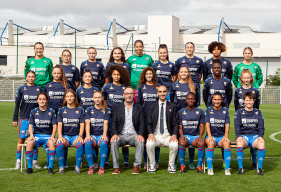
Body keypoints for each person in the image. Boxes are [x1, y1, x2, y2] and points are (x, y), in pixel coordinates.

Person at [110, 87, 145, 174]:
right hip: (121, 135)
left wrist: (140, 134)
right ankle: (116, 167)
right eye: (127, 93)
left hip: (134, 135)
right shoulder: (117, 107)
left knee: (140, 141)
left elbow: (142, 123)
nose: (129, 95)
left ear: (134, 95)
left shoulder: (139, 107)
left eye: (131, 93)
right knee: (114, 142)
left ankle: (136, 166)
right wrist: (114, 134)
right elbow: (114, 122)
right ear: (123, 95)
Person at [13, 71, 42, 169]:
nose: (31, 78)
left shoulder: (39, 89)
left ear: (35, 78)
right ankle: (18, 161)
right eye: (29, 76)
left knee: (35, 140)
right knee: (21, 139)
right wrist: (15, 119)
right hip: (24, 119)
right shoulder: (21, 89)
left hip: (36, 119)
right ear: (26, 77)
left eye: (32, 76)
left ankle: (34, 162)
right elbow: (17, 105)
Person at [146, 85, 179, 173]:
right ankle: (152, 165)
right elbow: (148, 123)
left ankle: (171, 166)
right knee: (149, 144)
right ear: (157, 93)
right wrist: (150, 134)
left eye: (164, 91)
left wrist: (174, 135)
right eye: (160, 92)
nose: (162, 93)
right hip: (155, 135)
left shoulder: (173, 106)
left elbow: (176, 123)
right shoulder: (151, 107)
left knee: (175, 145)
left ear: (167, 93)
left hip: (168, 135)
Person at [24, 92, 57, 174]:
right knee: (29, 143)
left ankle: (50, 168)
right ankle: (29, 168)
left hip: (48, 135)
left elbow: (55, 126)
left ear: (47, 101)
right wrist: (31, 136)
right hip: (37, 136)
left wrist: (53, 136)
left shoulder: (52, 111)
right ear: (37, 100)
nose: (42, 101)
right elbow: (30, 125)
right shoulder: (33, 111)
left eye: (43, 99)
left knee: (52, 143)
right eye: (40, 99)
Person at [234, 69, 260, 169]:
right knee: (243, 135)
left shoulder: (255, 90)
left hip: (253, 116)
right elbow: (236, 105)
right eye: (244, 78)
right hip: (241, 116)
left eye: (248, 77)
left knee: (253, 134)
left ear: (251, 78)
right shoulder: (238, 90)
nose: (246, 79)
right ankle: (241, 164)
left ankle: (254, 162)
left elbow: (257, 105)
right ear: (241, 78)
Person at [235, 91, 266, 175]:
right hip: (244, 136)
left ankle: (259, 168)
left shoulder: (258, 112)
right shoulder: (239, 112)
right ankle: (240, 167)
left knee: (262, 143)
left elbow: (261, 126)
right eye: (247, 100)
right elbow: (237, 125)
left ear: (254, 101)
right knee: (239, 143)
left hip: (254, 136)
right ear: (244, 101)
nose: (249, 102)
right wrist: (238, 136)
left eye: (251, 100)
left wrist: (260, 136)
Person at [56, 89, 85, 174]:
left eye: (71, 96)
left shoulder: (80, 109)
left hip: (76, 136)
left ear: (74, 97)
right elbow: (59, 124)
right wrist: (60, 136)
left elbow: (82, 124)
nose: (69, 98)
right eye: (67, 96)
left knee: (80, 145)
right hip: (65, 136)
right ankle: (61, 167)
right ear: (65, 98)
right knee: (59, 145)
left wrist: (80, 136)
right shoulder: (61, 110)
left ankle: (77, 167)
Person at [136, 67, 160, 169]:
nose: (149, 76)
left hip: (156, 118)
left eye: (150, 74)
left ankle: (156, 161)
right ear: (144, 75)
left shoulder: (157, 87)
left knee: (156, 140)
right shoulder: (141, 87)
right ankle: (146, 161)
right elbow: (139, 104)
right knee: (146, 141)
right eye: (147, 74)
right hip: (145, 118)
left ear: (153, 75)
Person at [204, 92, 232, 176]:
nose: (217, 101)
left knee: (226, 143)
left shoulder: (225, 110)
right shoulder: (208, 110)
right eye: (215, 99)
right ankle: (210, 168)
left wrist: (226, 136)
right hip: (211, 136)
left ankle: (227, 168)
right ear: (212, 100)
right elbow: (207, 124)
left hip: (221, 137)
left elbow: (227, 125)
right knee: (210, 142)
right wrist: (209, 136)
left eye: (219, 99)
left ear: (222, 100)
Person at [84, 91, 111, 174]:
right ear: (93, 98)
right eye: (95, 97)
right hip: (92, 135)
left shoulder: (107, 110)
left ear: (102, 98)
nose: (97, 99)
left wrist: (104, 135)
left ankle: (102, 167)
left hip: (101, 135)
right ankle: (91, 167)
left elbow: (106, 123)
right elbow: (87, 123)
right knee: (88, 143)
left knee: (103, 143)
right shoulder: (88, 110)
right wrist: (88, 135)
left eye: (99, 97)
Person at [178, 92, 205, 174]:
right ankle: (182, 166)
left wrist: (200, 136)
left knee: (201, 143)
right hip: (185, 136)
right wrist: (182, 136)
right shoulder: (181, 112)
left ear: (195, 100)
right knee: (181, 142)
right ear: (186, 100)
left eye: (192, 99)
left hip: (195, 137)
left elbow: (202, 126)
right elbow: (180, 127)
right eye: (189, 99)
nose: (190, 100)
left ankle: (199, 166)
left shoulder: (200, 111)